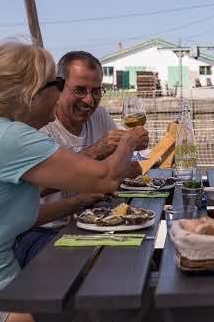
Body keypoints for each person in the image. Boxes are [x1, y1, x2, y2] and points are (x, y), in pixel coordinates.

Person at [0, 42, 148, 322]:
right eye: (57, 83)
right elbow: (107, 177)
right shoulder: (11, 138)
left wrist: (77, 202)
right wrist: (129, 140)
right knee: (103, 295)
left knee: (105, 287)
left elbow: (18, 218)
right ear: (32, 94)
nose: (60, 91)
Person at [12, 51, 145, 267]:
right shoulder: (38, 126)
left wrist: (125, 156)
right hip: (41, 231)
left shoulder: (99, 116)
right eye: (80, 90)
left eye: (96, 91)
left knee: (139, 257)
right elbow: (33, 189)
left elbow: (123, 170)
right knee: (94, 266)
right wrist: (98, 154)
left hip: (93, 221)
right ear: (58, 87)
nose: (89, 100)